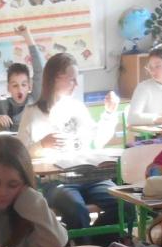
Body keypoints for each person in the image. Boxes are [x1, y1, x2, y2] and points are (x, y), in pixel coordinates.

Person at [18, 51, 121, 230]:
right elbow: (20, 154)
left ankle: (99, 242)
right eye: (72, 79)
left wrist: (109, 113)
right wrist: (42, 145)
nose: (76, 84)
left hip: (90, 177)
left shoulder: (77, 107)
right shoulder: (33, 112)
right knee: (76, 209)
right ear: (55, 78)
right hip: (57, 180)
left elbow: (97, 141)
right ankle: (85, 244)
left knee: (123, 203)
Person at [0, 25, 43, 133]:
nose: (20, 89)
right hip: (11, 143)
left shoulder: (34, 99)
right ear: (8, 88)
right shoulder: (3, 105)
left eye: (24, 85)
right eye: (15, 85)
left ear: (29, 86)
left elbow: (40, 70)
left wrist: (27, 36)